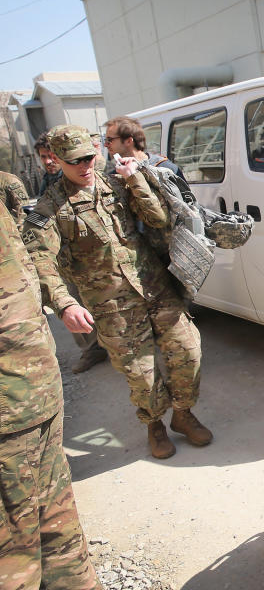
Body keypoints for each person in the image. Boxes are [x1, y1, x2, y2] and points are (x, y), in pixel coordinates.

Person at [21, 125, 211, 460]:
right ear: (56, 161)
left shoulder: (116, 183)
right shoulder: (49, 208)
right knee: (142, 374)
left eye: (89, 156)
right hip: (112, 305)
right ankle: (155, 425)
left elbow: (157, 219)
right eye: (74, 160)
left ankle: (183, 414)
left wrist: (135, 180)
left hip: (155, 287)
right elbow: (38, 258)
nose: (85, 165)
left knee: (189, 352)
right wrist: (64, 304)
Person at [0, 201, 102, 590]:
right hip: (9, 413)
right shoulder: (50, 200)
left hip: (37, 394)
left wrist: (61, 300)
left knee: (56, 520)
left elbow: (30, 260)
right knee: (14, 549)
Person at [32, 132, 109, 373]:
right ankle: (92, 349)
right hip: (71, 262)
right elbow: (37, 245)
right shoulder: (50, 190)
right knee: (77, 302)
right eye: (43, 157)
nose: (47, 162)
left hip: (106, 264)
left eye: (87, 158)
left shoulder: (103, 179)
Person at [103, 116, 186, 180]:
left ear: (128, 141)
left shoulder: (165, 168)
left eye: (110, 140)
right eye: (105, 140)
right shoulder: (116, 175)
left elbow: (187, 201)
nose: (106, 145)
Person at [35, 132, 63, 197]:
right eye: (43, 157)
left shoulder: (73, 177)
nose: (47, 161)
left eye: (51, 156)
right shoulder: (47, 179)